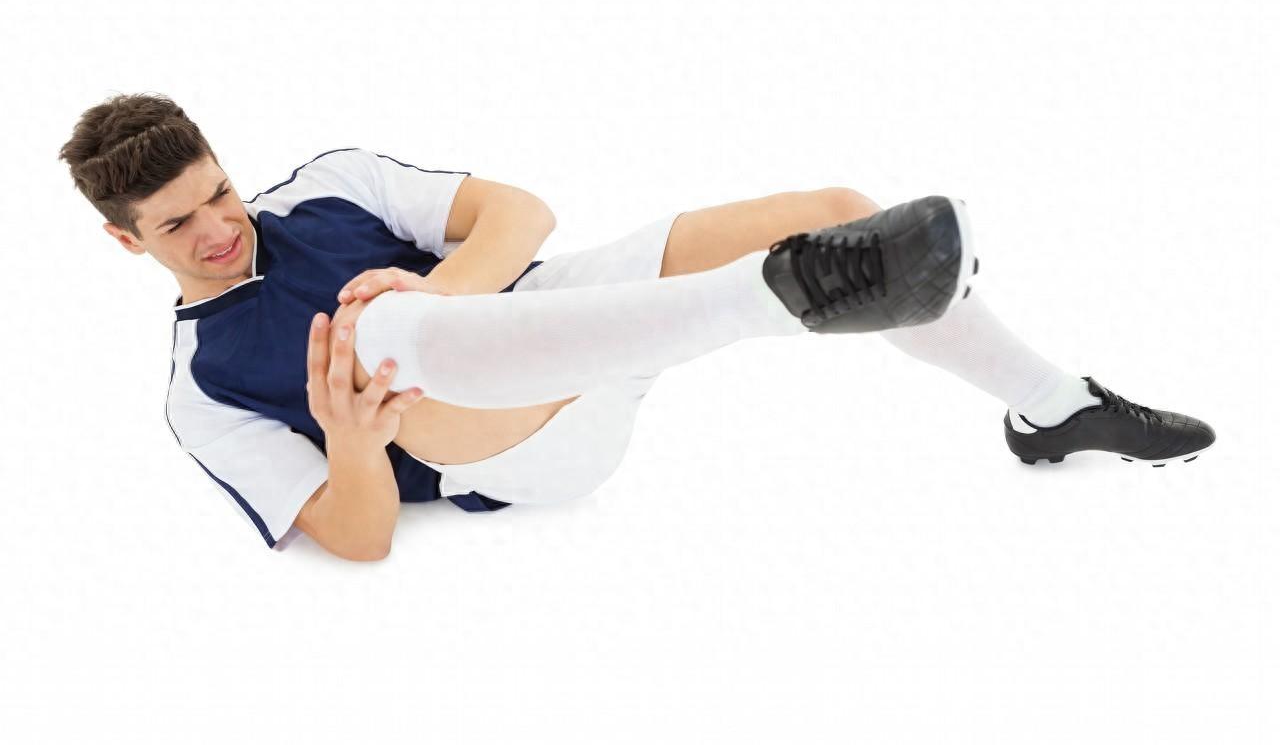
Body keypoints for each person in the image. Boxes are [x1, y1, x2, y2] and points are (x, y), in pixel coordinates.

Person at [61, 93, 1216, 562]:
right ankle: (760, 299)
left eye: (218, 191)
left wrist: (448, 289)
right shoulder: (202, 387)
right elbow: (355, 539)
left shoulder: (328, 184)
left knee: (835, 210)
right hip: (509, 439)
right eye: (178, 224)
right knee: (377, 342)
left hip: (567, 306)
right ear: (125, 240)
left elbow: (522, 215)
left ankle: (1051, 406)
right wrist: (358, 446)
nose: (220, 225)